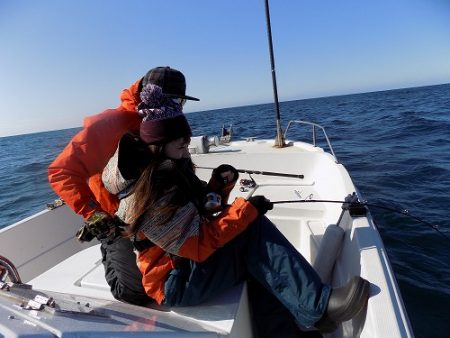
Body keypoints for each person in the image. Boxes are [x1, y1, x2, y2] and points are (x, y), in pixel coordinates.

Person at [101, 83, 371, 337]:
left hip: (185, 268)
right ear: (159, 147)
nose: (186, 152)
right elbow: (198, 242)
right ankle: (317, 307)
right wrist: (247, 211)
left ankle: (296, 325)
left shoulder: (169, 170)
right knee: (251, 230)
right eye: (181, 146)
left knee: (258, 260)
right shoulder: (147, 196)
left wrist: (219, 186)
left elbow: (198, 212)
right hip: (174, 283)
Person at [47, 66, 199, 305]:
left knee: (189, 260)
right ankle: (110, 243)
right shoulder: (109, 125)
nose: (175, 106)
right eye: (170, 99)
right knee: (133, 293)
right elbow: (61, 172)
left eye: (179, 101)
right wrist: (94, 213)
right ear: (145, 93)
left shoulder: (168, 118)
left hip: (155, 212)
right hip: (118, 219)